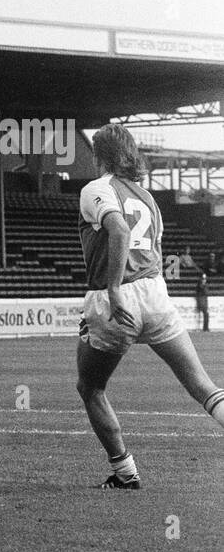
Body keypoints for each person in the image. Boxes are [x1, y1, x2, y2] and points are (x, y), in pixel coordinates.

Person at [75, 124, 224, 489]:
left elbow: (120, 231)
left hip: (117, 300)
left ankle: (125, 473)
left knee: (90, 388)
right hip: (156, 295)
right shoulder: (147, 196)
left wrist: (113, 288)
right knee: (203, 387)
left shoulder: (96, 188)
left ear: (99, 155)